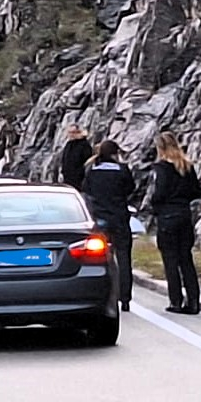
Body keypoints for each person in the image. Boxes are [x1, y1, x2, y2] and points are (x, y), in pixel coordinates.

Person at [149, 131, 201, 314]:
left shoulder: (161, 168)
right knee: (186, 259)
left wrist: (155, 207)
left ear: (161, 148)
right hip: (184, 215)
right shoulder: (187, 165)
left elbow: (159, 193)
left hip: (167, 217)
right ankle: (193, 302)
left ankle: (176, 301)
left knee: (170, 260)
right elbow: (197, 191)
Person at [81, 139, 135, 312]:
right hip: (119, 217)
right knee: (124, 256)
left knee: (99, 258)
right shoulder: (122, 170)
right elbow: (130, 189)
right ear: (115, 154)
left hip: (100, 218)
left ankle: (103, 295)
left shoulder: (93, 172)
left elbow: (86, 191)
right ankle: (125, 298)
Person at [59, 123, 92, 191]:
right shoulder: (69, 144)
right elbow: (64, 159)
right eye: (69, 132)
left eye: (73, 132)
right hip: (67, 177)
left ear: (79, 132)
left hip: (78, 179)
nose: (71, 135)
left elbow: (87, 162)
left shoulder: (84, 145)